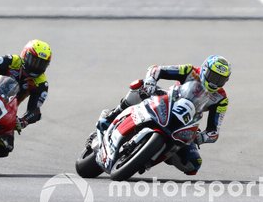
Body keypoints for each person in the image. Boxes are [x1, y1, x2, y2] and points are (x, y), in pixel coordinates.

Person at [96, 55, 231, 175]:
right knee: (140, 88)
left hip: (187, 121)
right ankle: (113, 115)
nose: (215, 81)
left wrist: (201, 137)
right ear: (205, 69)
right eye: (214, 76)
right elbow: (157, 70)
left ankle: (153, 156)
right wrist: (151, 81)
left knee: (193, 165)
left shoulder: (221, 98)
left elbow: (214, 131)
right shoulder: (190, 71)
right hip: (168, 101)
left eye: (220, 79)